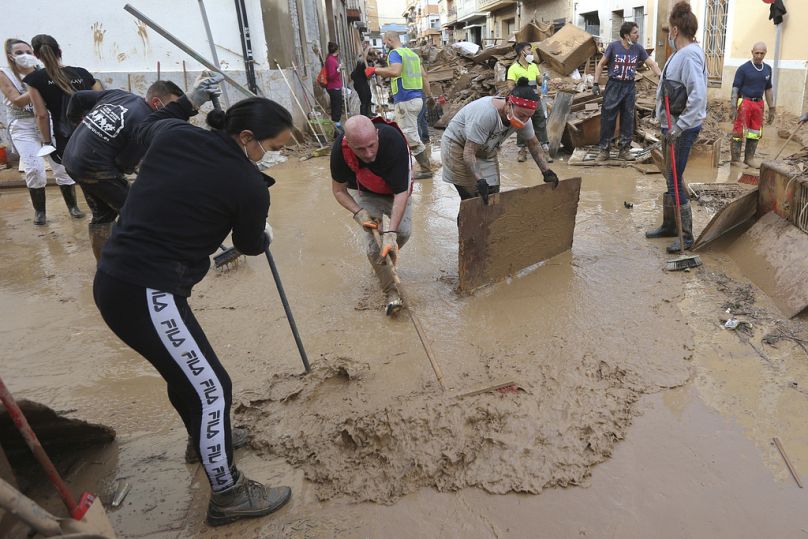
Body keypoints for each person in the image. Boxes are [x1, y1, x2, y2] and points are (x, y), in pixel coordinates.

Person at [93, 89, 294, 527]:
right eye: (272, 148)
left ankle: (202, 443)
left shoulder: (174, 136)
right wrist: (264, 234)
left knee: (185, 375)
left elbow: (148, 123)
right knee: (213, 388)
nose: (270, 157)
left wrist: (189, 103)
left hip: (116, 279)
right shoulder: (247, 185)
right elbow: (248, 245)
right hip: (148, 290)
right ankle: (228, 494)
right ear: (246, 137)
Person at [62, 81, 184, 261]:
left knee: (103, 215)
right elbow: (124, 165)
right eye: (172, 107)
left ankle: (103, 263)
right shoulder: (145, 123)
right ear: (157, 103)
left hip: (71, 159)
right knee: (140, 214)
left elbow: (77, 98)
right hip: (95, 169)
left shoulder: (119, 95)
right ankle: (151, 263)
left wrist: (75, 124)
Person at [330, 115, 412, 315]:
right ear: (348, 143)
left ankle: (387, 258)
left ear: (377, 134)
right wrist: (359, 213)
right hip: (366, 190)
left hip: (396, 190)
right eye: (360, 149)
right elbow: (339, 191)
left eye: (371, 145)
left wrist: (391, 232)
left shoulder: (393, 141)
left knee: (403, 233)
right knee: (374, 247)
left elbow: (401, 192)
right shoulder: (339, 153)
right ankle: (391, 293)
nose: (368, 154)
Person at [645, 1, 707, 253]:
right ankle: (670, 225)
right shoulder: (681, 54)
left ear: (674, 30)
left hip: (682, 127)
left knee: (674, 177)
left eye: (669, 29)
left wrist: (678, 127)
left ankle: (686, 235)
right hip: (671, 125)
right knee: (671, 175)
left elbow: (698, 97)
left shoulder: (690, 55)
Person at [1, 38, 84, 225]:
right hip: (22, 126)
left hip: (48, 122)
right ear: (10, 57)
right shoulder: (5, 73)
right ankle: (40, 211)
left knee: (62, 165)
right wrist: (37, 85)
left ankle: (73, 206)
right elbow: (17, 100)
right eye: (20, 53)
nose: (26, 56)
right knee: (34, 169)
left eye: (29, 52)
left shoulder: (41, 72)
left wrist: (42, 82)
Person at [441, 78, 558, 203]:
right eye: (521, 115)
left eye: (528, 117)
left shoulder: (524, 117)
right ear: (508, 104)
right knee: (472, 198)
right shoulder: (486, 114)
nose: (524, 120)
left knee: (492, 196)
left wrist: (546, 171)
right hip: (458, 146)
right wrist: (480, 180)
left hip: (485, 148)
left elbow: (533, 144)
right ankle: (467, 221)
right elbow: (469, 152)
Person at [365, 30, 435, 179]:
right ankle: (412, 164)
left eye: (385, 42)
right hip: (417, 99)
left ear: (390, 40)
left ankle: (425, 169)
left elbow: (395, 71)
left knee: (409, 135)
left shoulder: (395, 54)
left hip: (405, 99)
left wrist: (375, 70)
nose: (385, 44)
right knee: (410, 132)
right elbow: (424, 76)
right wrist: (429, 96)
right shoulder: (412, 55)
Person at [593, 22, 662, 161]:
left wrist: (662, 78)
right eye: (635, 32)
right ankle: (604, 150)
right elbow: (601, 64)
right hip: (614, 85)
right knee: (608, 118)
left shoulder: (638, 49)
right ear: (626, 35)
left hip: (629, 86)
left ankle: (624, 150)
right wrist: (595, 82)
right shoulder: (613, 47)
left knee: (628, 119)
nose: (638, 35)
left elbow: (651, 64)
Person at [730, 42, 775, 168]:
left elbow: (768, 89)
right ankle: (735, 159)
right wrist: (733, 106)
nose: (759, 56)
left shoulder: (767, 69)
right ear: (752, 52)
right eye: (757, 53)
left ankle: (749, 158)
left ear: (765, 53)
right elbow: (735, 88)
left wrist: (772, 108)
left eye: (762, 53)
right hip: (744, 103)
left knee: (755, 132)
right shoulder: (743, 69)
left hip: (758, 104)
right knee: (739, 131)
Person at [507, 42, 551, 163]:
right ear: (522, 52)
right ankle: (522, 150)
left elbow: (539, 81)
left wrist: (544, 79)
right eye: (529, 50)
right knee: (522, 124)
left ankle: (545, 149)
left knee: (540, 120)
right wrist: (520, 91)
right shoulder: (513, 68)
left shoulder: (533, 66)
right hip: (521, 102)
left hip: (535, 99)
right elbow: (510, 86)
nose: (531, 52)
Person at [351, 43, 375, 118]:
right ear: (367, 56)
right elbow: (368, 75)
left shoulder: (369, 62)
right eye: (371, 57)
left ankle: (369, 113)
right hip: (359, 82)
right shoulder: (361, 62)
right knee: (364, 99)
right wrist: (367, 48)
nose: (372, 59)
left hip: (364, 81)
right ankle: (364, 116)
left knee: (369, 96)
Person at [324, 42, 343, 133]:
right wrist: (338, 70)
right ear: (337, 50)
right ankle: (336, 127)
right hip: (333, 87)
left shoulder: (333, 59)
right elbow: (331, 76)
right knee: (336, 106)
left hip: (336, 86)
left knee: (337, 106)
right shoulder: (330, 60)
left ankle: (337, 125)